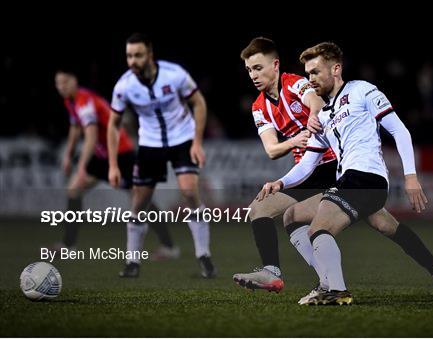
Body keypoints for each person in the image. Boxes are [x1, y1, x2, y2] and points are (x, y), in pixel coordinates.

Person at [257, 42, 433, 305]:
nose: (311, 80)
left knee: (320, 227)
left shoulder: (362, 90)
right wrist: (281, 182)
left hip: (368, 179)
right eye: (307, 74)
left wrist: (411, 177)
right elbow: (308, 164)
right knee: (294, 216)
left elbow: (399, 131)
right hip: (349, 183)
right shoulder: (323, 116)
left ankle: (334, 289)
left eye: (316, 72)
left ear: (336, 69)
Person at [232, 37, 338, 293]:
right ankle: (273, 273)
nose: (253, 75)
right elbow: (271, 150)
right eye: (249, 70)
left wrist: (313, 115)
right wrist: (294, 141)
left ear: (275, 64)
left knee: (385, 225)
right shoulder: (259, 107)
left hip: (335, 165)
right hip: (307, 173)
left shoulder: (294, 83)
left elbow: (316, 100)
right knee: (259, 209)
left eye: (258, 68)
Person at [107, 33, 216, 278]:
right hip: (150, 144)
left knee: (189, 192)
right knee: (139, 203)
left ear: (150, 55)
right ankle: (132, 261)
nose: (132, 61)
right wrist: (113, 165)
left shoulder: (174, 74)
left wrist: (197, 142)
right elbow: (113, 124)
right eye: (129, 56)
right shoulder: (124, 86)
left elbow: (199, 103)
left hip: (182, 139)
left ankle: (204, 256)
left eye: (138, 55)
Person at [53, 69, 179, 261]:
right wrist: (68, 155)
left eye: (65, 82)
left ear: (75, 81)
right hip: (101, 156)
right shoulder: (70, 101)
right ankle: (68, 245)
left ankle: (169, 246)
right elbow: (75, 127)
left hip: (121, 154)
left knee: (140, 200)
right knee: (74, 190)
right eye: (58, 83)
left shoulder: (84, 100)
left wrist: (80, 168)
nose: (62, 87)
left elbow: (91, 135)